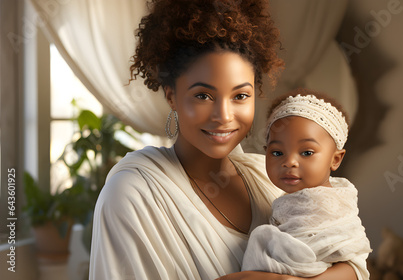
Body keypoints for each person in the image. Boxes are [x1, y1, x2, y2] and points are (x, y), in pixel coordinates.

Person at [89, 0, 366, 279]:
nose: (224, 115)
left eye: (240, 96)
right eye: (203, 96)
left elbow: (353, 264)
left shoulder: (269, 178)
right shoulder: (133, 192)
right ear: (171, 95)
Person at [241, 90, 372, 279]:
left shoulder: (332, 208)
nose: (290, 162)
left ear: (335, 159)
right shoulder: (286, 200)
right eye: (277, 153)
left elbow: (353, 266)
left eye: (307, 153)